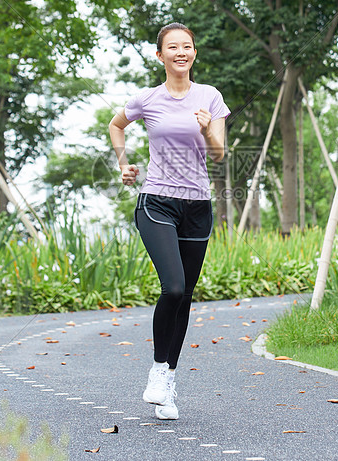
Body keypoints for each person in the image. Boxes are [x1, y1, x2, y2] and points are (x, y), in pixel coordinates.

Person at [108, 22, 229, 420]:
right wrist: (123, 164)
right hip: (156, 201)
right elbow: (116, 125)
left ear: (194, 53)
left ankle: (170, 383)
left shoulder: (210, 97)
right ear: (160, 56)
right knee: (173, 288)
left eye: (187, 46)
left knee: (186, 298)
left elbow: (219, 155)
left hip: (196, 206)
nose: (181, 52)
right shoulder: (147, 99)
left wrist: (206, 129)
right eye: (172, 47)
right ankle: (158, 370)